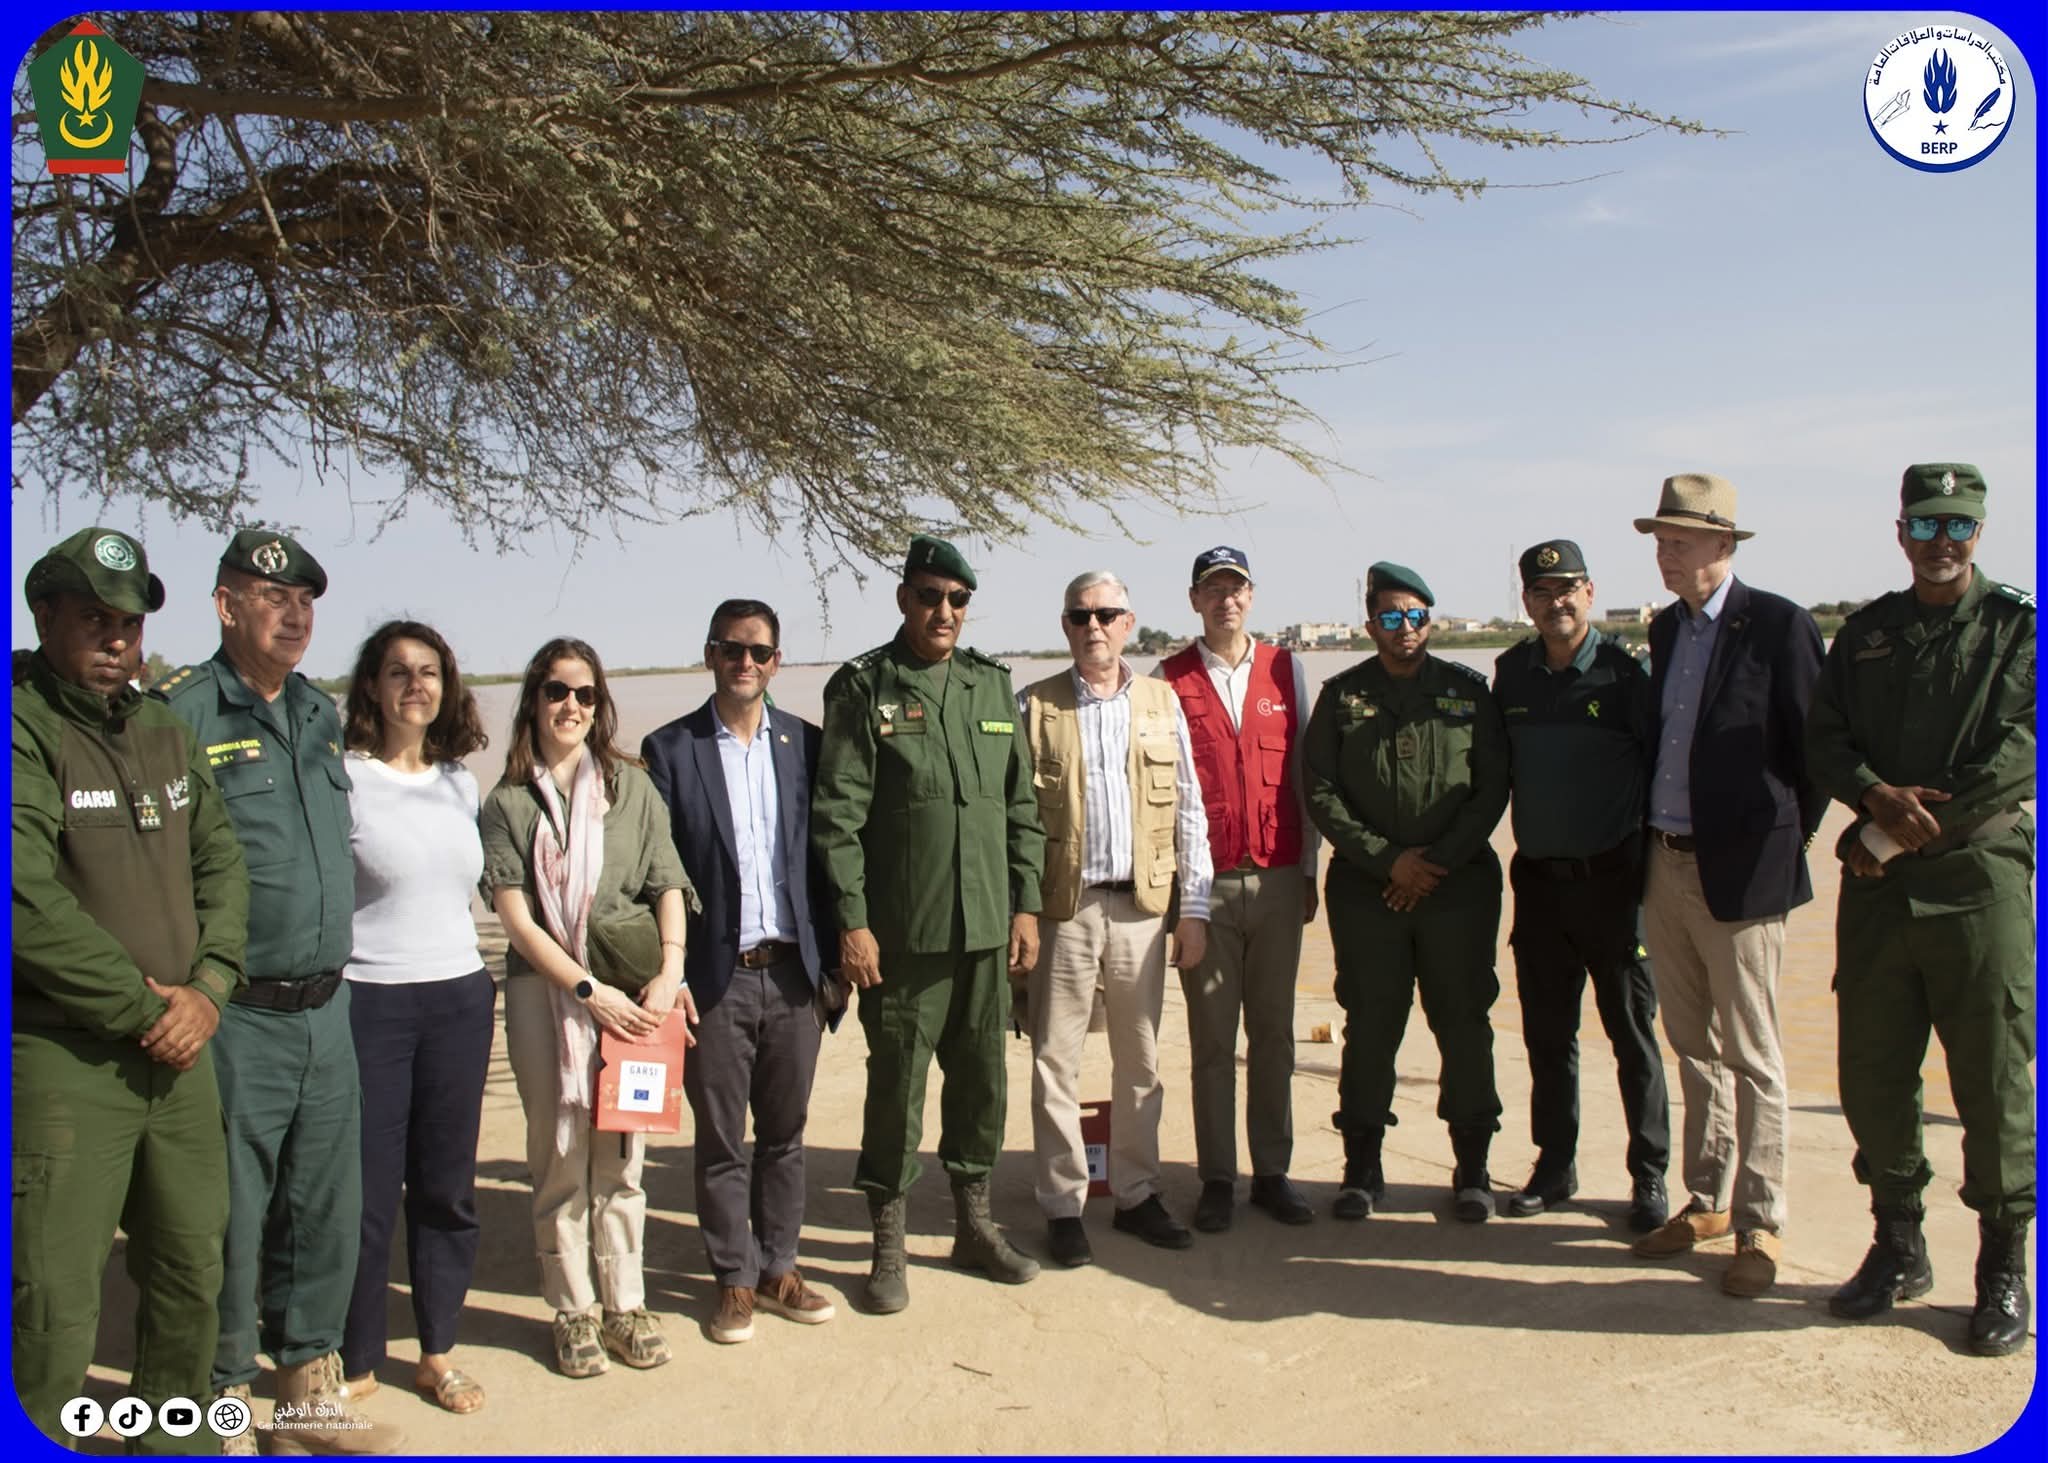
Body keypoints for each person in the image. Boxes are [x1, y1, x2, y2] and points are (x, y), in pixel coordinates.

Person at [158, 529, 397, 1453]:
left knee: (324, 1207)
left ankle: (304, 1393)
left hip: (327, 1009)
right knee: (228, 1216)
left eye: (305, 602)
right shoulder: (183, 715)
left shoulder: (316, 711)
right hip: (236, 1014)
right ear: (226, 606)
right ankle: (224, 1396)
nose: (295, 616)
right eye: (273, 598)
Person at [13, 528, 247, 1454]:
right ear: (45, 617)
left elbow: (221, 863)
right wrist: (149, 1008)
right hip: (65, 1057)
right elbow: (24, 898)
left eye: (130, 623)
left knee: (190, 1273)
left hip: (182, 1055)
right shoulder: (23, 725)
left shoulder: (161, 728)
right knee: (53, 1302)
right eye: (94, 619)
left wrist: (210, 989)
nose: (117, 638)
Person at [1806, 463, 2034, 1357]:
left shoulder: (2020, 628)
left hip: (1978, 880)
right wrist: (1871, 794)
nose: (1942, 542)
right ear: (1900, 532)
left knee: (1993, 1079)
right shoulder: (1866, 633)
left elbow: (2022, 749)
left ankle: (2003, 1264)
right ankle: (1898, 1244)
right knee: (1872, 1069)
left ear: (1980, 531)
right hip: (1878, 892)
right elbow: (1824, 737)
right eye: (1927, 524)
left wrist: (1895, 829)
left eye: (1958, 525)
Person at [812, 534, 1047, 1314]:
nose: (943, 611)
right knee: (897, 1089)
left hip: (984, 932)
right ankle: (888, 1242)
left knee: (983, 1085)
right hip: (903, 939)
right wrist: (852, 922)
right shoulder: (864, 686)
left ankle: (974, 1226)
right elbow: (838, 819)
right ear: (904, 598)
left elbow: (1020, 807)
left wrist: (1025, 903)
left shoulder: (991, 687)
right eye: (929, 596)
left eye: (957, 599)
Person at [1627, 474, 1825, 1298]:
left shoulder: (1778, 624)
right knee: (1692, 1043)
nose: (1665, 554)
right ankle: (1707, 1199)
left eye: (1679, 541)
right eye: (1660, 541)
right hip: (1665, 864)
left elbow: (1814, 757)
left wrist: (1782, 849)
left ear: (1722, 543)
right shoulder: (1666, 629)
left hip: (1744, 875)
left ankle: (1760, 1220)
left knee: (1753, 1054)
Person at [479, 637, 698, 1377]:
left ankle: (626, 1303)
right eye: (556, 691)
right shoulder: (508, 801)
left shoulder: (631, 787)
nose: (570, 705)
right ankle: (573, 1308)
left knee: (624, 1156)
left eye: (584, 693)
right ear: (533, 701)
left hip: (633, 998)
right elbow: (516, 919)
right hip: (548, 998)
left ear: (600, 704)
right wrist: (584, 989)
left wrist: (669, 972)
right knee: (560, 1154)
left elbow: (667, 882)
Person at [641, 599, 843, 1346]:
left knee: (785, 1134)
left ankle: (779, 1268)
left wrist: (833, 966)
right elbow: (657, 869)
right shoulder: (671, 749)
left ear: (777, 662)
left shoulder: (805, 744)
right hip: (715, 978)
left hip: (793, 975)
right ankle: (733, 1276)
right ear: (710, 655)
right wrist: (670, 971)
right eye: (732, 649)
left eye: (759, 652)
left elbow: (827, 858)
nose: (745, 663)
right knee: (723, 1139)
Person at [1018, 571, 1214, 1265]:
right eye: (1080, 616)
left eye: (1106, 614)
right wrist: (1021, 911)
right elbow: (1015, 819)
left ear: (1129, 623)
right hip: (1063, 909)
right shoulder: (1033, 705)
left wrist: (1195, 909)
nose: (1093, 626)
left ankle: (1135, 1194)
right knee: (1055, 1060)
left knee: (1141, 1060)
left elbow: (1190, 808)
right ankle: (1062, 1205)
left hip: (1142, 911)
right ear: (1065, 626)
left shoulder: (1161, 702)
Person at [1304, 561, 1509, 1222]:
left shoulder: (1468, 693)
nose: (1405, 627)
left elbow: (1492, 789)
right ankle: (1362, 1168)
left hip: (1458, 888)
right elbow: (1320, 791)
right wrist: (1389, 862)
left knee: (1465, 1023)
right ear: (1371, 625)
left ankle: (1473, 1167)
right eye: (1391, 616)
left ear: (1431, 621)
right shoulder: (1341, 697)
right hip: (1369, 892)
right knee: (1370, 1024)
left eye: (1416, 615)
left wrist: (1433, 864)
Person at [335, 622, 495, 1413]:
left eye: (429, 671)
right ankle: (359, 1353)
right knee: (366, 1191)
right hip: (371, 1000)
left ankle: (437, 1351)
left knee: (446, 1186)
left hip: (459, 997)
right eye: (398, 671)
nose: (415, 685)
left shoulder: (459, 781)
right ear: (372, 685)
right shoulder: (344, 778)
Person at [1492, 540, 1671, 1232]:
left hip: (1614, 886)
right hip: (1539, 886)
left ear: (1590, 593)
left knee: (1632, 1036)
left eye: (1567, 589)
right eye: (1541, 592)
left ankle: (1648, 1173)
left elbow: (1661, 783)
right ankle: (1555, 1165)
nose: (1555, 602)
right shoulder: (1512, 675)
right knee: (1548, 1037)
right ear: (1527, 602)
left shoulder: (1628, 676)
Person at [1155, 546, 1321, 1232]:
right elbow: (1161, 793)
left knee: (1275, 1035)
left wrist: (1309, 870)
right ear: (1195, 600)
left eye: (1236, 588)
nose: (1226, 599)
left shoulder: (1286, 670)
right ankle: (1218, 1177)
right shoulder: (1169, 679)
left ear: (1251, 597)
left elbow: (1304, 775)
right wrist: (1177, 899)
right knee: (1213, 1040)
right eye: (1213, 589)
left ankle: (1273, 1173)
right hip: (1206, 885)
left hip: (1278, 876)